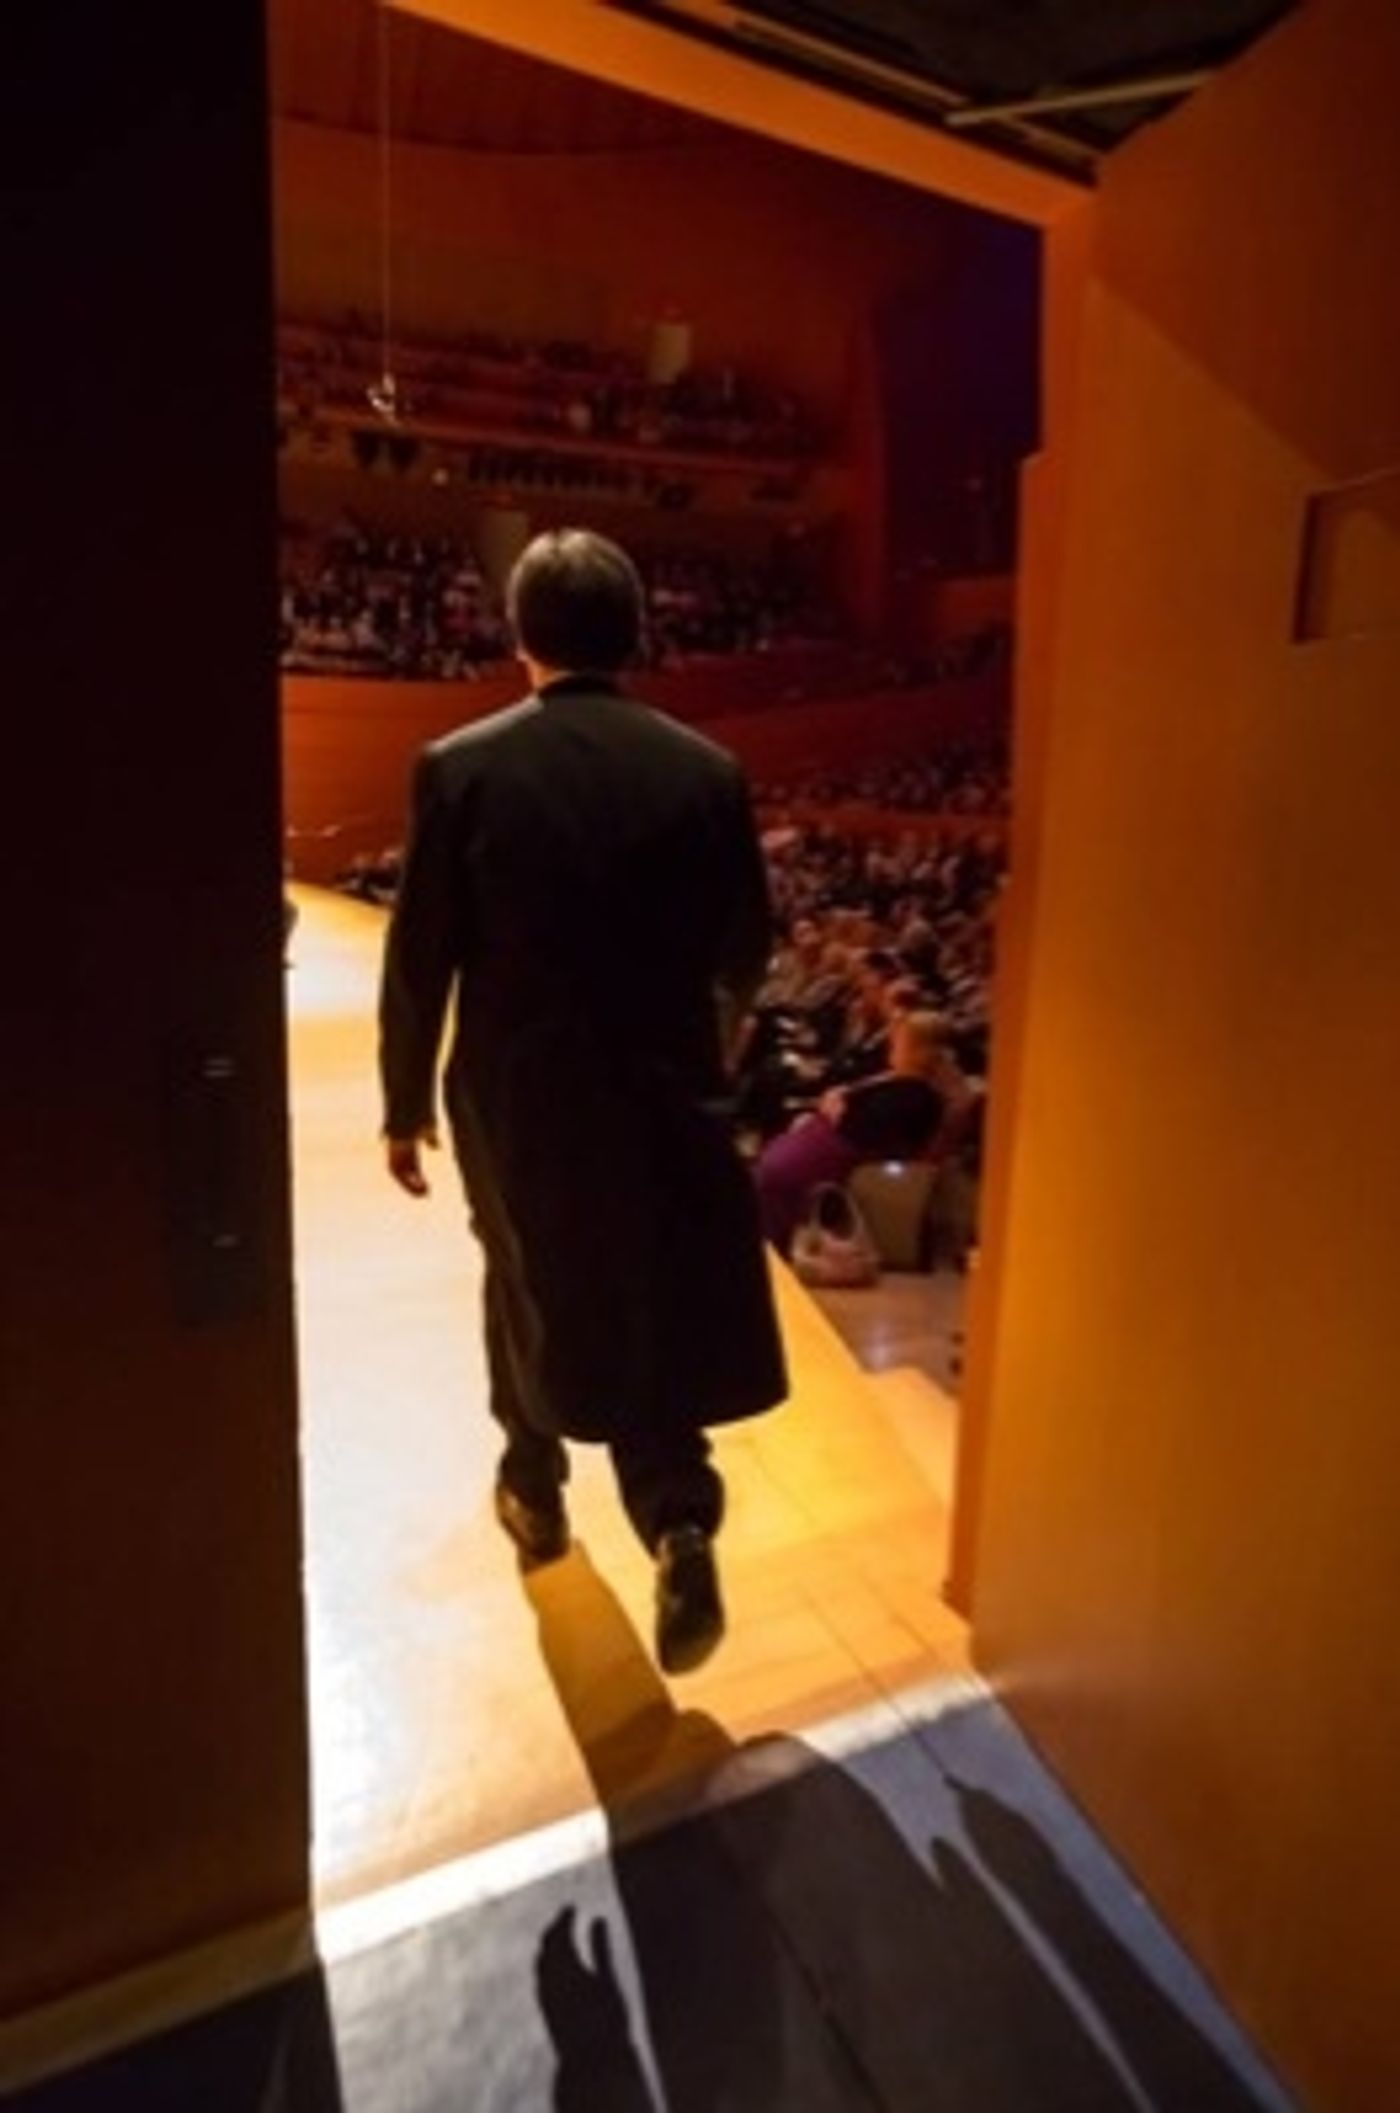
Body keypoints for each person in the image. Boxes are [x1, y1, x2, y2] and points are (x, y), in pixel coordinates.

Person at [379, 527, 787, 1674]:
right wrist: (703, 1031)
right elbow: (744, 945)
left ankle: (535, 1490)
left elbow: (422, 959)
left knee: (526, 1279)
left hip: (520, 1095)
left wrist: (402, 1102)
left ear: (520, 638)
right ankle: (676, 1513)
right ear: (633, 632)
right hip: (664, 1086)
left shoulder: (460, 766)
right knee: (646, 1288)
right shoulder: (705, 771)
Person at [753, 1010, 970, 1257]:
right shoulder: (897, 1078)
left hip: (844, 1150)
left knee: (777, 1173)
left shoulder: (917, 1095)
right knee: (769, 1167)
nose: (892, 1046)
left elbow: (868, 1129)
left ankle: (775, 1247)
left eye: (900, 1041)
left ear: (920, 1051)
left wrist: (837, 1109)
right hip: (830, 1136)